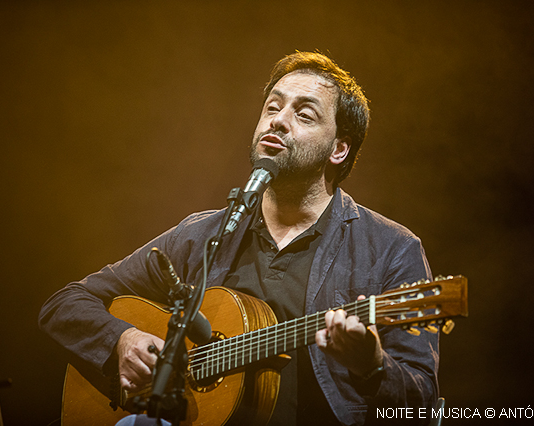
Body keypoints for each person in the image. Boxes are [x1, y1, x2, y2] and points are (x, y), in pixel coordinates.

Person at [39, 51, 438, 425]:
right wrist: (121, 340)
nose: (278, 120)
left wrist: (372, 366)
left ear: (338, 149)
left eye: (304, 114)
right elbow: (65, 303)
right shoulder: (203, 235)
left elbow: (422, 403)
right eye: (272, 107)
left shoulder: (391, 249)